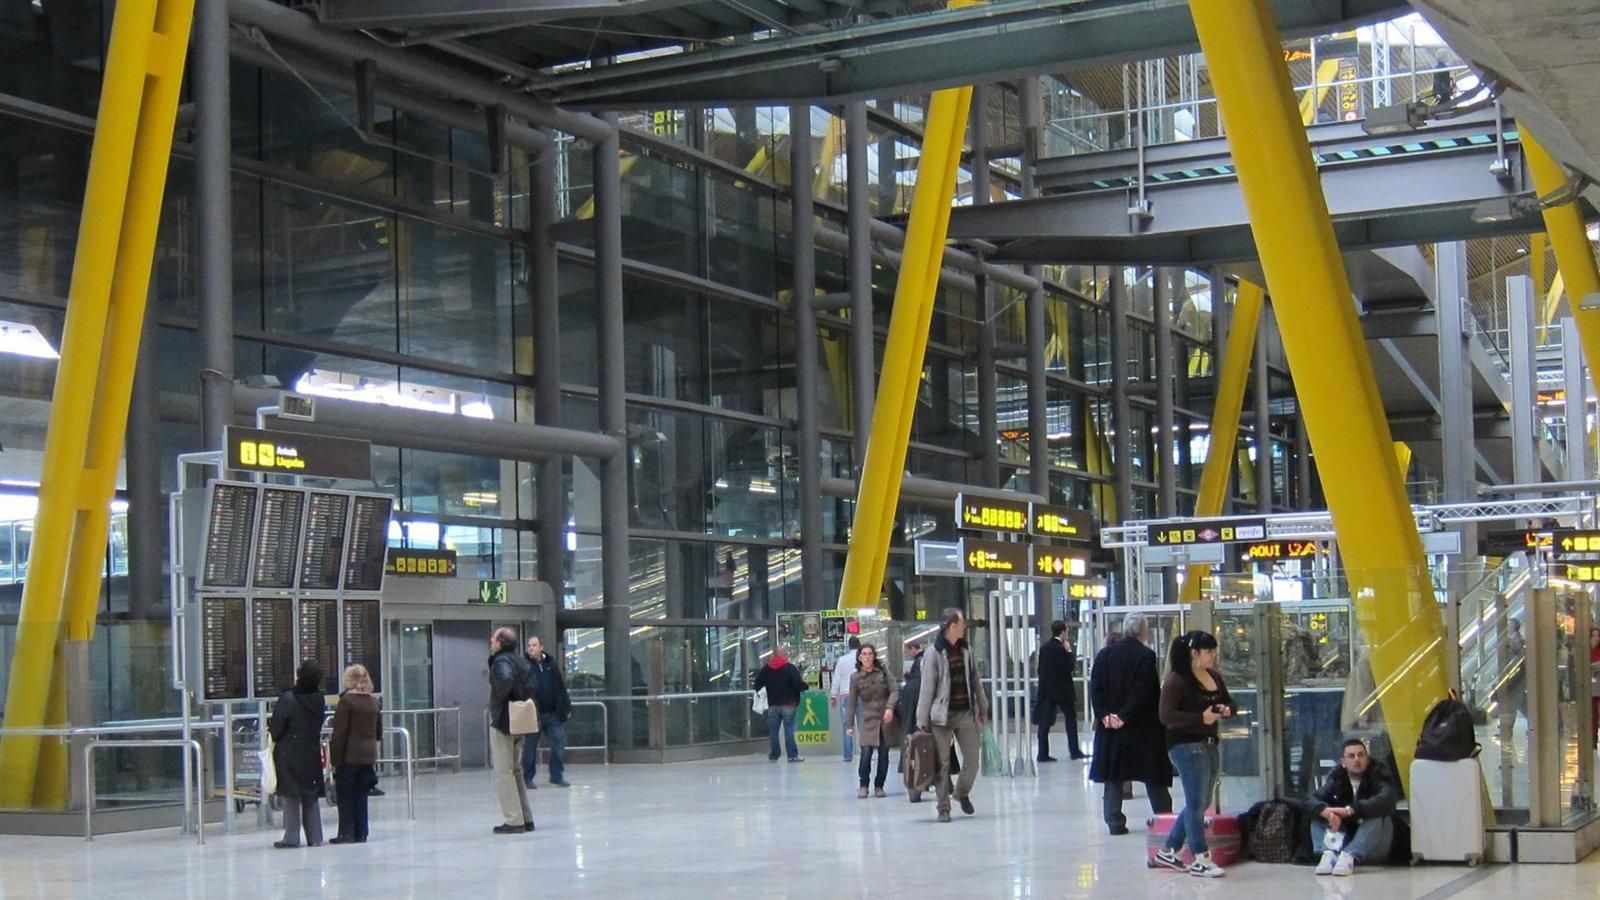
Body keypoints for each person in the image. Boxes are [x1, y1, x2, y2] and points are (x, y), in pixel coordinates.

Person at [1152, 629, 1235, 878]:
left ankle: (1169, 849)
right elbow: (1165, 716)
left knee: (1200, 802)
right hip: (1185, 745)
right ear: (1194, 653)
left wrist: (1227, 709)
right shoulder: (1176, 681)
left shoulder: (1214, 677)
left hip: (1209, 742)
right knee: (1197, 802)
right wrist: (1200, 717)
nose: (1213, 655)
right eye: (1209, 651)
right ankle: (1200, 856)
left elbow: (1230, 701)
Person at [1088, 613, 1173, 836]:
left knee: (1113, 775)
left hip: (1110, 728)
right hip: (1141, 728)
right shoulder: (1146, 656)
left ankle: (1114, 821)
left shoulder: (1105, 655)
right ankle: (1164, 817)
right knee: (1153, 774)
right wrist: (1125, 716)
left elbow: (1095, 687)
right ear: (1141, 631)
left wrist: (1105, 715)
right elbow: (1144, 691)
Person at [917, 608, 990, 823]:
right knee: (942, 763)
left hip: (965, 712)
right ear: (952, 626)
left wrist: (983, 707)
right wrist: (922, 719)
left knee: (973, 760)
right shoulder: (934, 652)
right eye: (962, 623)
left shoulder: (966, 650)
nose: (964, 627)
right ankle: (943, 808)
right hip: (941, 716)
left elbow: (975, 680)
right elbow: (927, 687)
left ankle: (961, 792)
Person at [1299, 737, 1399, 876]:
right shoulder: (1337, 779)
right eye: (1351, 756)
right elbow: (1309, 800)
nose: (1357, 759)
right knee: (1318, 812)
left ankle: (1349, 855)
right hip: (1345, 839)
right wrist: (1327, 812)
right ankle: (1328, 855)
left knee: (1377, 815)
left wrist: (1350, 810)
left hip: (1374, 842)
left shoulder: (1379, 776)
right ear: (1343, 762)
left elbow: (1387, 799)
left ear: (1367, 759)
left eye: (1361, 755)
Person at [268, 661, 327, 849]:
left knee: (290, 794)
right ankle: (315, 836)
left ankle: (291, 836)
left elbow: (276, 728)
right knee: (310, 794)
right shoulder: (319, 699)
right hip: (310, 751)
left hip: (289, 752)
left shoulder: (288, 699)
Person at [487, 627, 534, 834]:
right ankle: (525, 817)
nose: (491, 641)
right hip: (519, 720)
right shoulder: (522, 661)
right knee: (516, 770)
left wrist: (502, 696)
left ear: (500, 643)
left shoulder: (501, 661)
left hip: (504, 722)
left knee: (504, 772)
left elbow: (505, 680)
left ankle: (514, 820)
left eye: (494, 638)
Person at [328, 664, 382, 845]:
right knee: (361, 795)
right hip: (368, 756)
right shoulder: (373, 702)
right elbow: (379, 732)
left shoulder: (346, 702)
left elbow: (340, 733)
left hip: (349, 756)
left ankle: (347, 832)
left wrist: (334, 759)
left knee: (345, 795)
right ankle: (362, 832)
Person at [521, 635, 574, 788]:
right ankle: (528, 777)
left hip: (552, 714)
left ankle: (556, 775)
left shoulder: (551, 664)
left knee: (558, 744)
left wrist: (567, 706)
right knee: (530, 747)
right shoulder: (524, 666)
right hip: (533, 715)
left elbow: (560, 687)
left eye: (534, 645)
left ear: (541, 647)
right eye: (529, 645)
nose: (531, 648)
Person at [848, 643, 899, 798]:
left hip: (885, 720)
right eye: (864, 654)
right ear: (859, 657)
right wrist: (849, 724)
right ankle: (863, 785)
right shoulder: (855, 678)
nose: (867, 656)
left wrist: (890, 707)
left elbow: (894, 690)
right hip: (867, 720)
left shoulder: (883, 672)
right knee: (865, 754)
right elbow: (852, 701)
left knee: (884, 754)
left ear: (874, 656)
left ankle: (879, 786)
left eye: (870, 653)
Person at [1036, 620, 1087, 762]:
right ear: (1063, 632)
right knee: (1070, 719)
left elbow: (1040, 669)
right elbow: (1070, 666)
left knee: (1044, 723)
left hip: (1048, 690)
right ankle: (1074, 750)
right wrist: (1069, 651)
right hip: (1063, 691)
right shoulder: (1061, 648)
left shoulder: (1045, 648)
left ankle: (1042, 753)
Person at [754, 644, 808, 762]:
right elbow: (798, 684)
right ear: (785, 655)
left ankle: (774, 754)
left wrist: (764, 692)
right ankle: (792, 755)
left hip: (773, 704)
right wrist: (805, 686)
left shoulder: (766, 669)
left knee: (773, 731)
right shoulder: (790, 668)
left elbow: (757, 684)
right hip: (788, 704)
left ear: (775, 655)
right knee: (789, 731)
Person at [833, 636, 861, 762]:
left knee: (848, 725)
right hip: (861, 695)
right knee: (862, 724)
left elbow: (836, 679)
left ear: (849, 646)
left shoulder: (842, 660)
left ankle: (848, 754)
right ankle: (865, 750)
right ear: (859, 645)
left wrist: (833, 695)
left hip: (846, 695)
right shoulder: (863, 659)